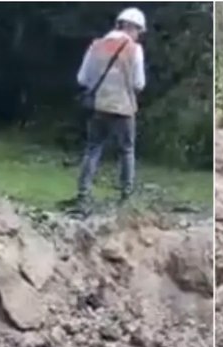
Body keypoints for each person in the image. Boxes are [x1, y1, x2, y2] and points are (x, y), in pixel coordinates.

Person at [74, 7, 147, 212]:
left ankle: (84, 192)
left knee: (93, 148)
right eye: (138, 31)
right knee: (127, 150)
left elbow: (82, 79)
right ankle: (126, 194)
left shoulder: (96, 45)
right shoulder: (134, 49)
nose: (138, 35)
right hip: (124, 108)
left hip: (99, 106)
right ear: (132, 27)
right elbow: (139, 83)